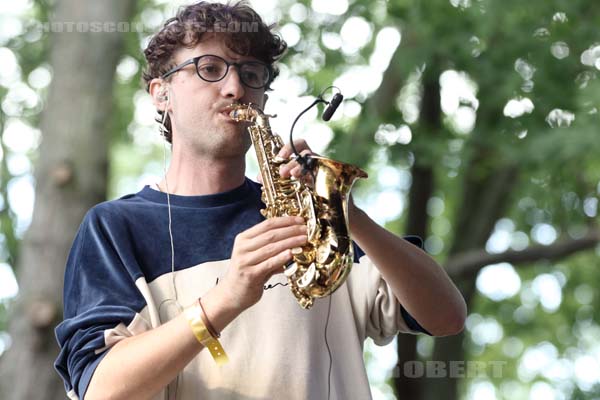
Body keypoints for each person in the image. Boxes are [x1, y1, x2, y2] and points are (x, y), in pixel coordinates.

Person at [54, 2, 467, 399]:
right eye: (209, 69)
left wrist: (344, 212)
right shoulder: (114, 226)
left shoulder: (316, 220)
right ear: (161, 95)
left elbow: (446, 316)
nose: (235, 88)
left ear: (264, 100)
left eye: (251, 74)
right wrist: (227, 297)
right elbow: (102, 389)